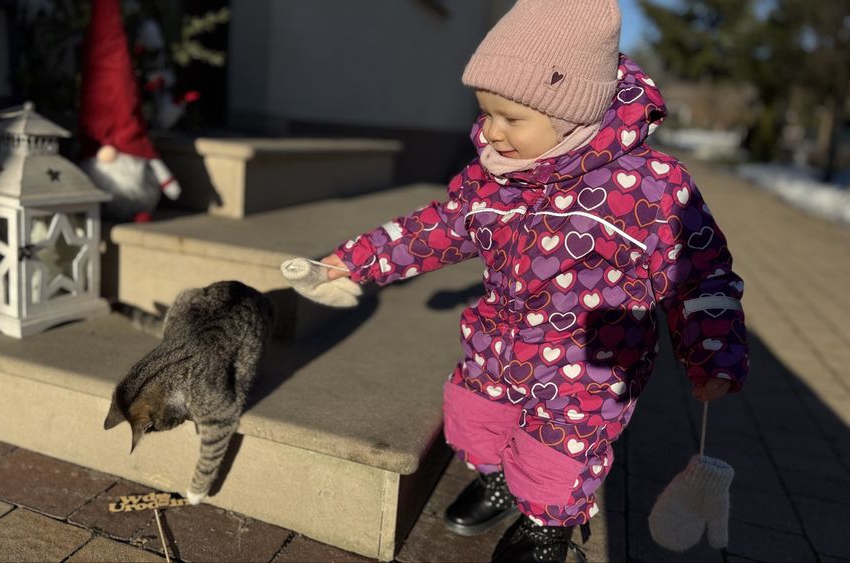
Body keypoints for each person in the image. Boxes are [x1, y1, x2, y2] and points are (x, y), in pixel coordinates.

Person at [307, 1, 748, 561]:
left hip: (586, 363)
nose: (491, 132)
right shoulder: (494, 176)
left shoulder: (651, 189)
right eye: (485, 112)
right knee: (478, 414)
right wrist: (358, 258)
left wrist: (712, 352)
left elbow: (700, 274)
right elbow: (440, 227)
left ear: (574, 112)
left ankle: (548, 524)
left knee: (558, 455)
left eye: (511, 118)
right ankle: (495, 476)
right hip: (498, 340)